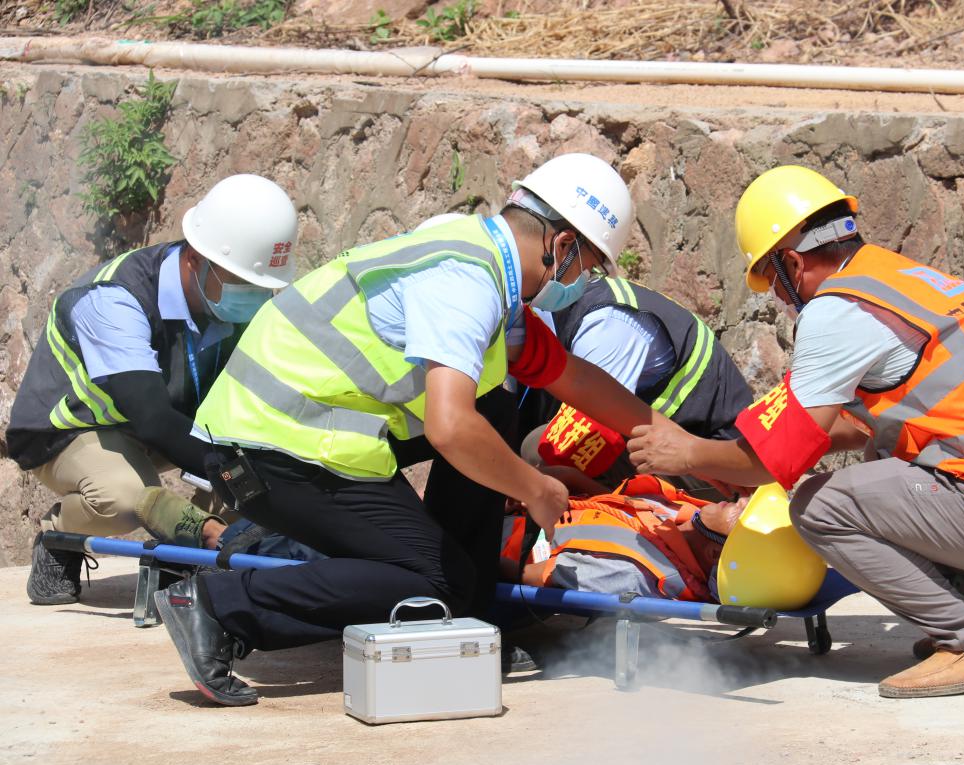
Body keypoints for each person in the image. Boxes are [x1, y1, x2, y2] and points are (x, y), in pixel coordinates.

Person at [152, 153, 675, 706]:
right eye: (588, 265)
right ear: (563, 245)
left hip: (305, 435)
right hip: (269, 449)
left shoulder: (481, 262)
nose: (584, 281)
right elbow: (449, 428)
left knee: (492, 413)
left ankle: (469, 618)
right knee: (432, 583)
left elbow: (570, 377)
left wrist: (676, 443)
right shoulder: (465, 281)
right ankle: (218, 607)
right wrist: (536, 488)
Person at [628, 165, 964, 699]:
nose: (777, 296)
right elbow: (863, 427)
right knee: (892, 460)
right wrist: (802, 437)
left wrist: (688, 455)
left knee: (820, 505)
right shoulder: (912, 282)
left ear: (791, 261)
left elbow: (773, 464)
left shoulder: (837, 310)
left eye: (771, 280)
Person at [8, 174, 299, 605]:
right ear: (195, 259)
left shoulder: (223, 300)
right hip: (72, 430)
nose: (253, 296)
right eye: (243, 283)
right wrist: (232, 483)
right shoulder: (113, 299)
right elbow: (152, 418)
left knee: (260, 464)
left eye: (261, 287)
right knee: (124, 497)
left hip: (159, 425)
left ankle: (191, 558)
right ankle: (57, 536)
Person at [516, 274, 753, 492]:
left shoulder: (601, 328)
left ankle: (618, 517)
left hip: (717, 470)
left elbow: (592, 418)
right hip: (686, 439)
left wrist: (540, 486)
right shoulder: (579, 300)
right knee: (539, 448)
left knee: (542, 455)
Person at [501, 476, 825, 610]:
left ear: (716, 553)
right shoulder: (686, 520)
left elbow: (523, 576)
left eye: (741, 515)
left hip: (507, 541)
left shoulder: (632, 575)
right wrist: (532, 484)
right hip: (534, 503)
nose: (741, 501)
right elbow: (609, 499)